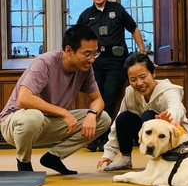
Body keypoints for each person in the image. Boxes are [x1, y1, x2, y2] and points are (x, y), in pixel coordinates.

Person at [0, 24, 111, 174]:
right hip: (16, 123)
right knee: (34, 116)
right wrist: (64, 113)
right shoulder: (45, 63)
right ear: (68, 50)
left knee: (102, 118)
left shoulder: (85, 68)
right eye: (87, 54)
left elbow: (98, 100)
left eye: (94, 54)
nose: (91, 59)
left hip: (49, 122)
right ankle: (23, 161)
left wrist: (91, 114)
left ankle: (53, 157)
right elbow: (24, 99)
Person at [77, 0, 146, 152]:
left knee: (108, 99)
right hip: (95, 62)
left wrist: (142, 51)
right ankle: (99, 138)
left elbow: (134, 28)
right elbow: (76, 36)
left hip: (116, 62)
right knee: (97, 98)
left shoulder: (117, 9)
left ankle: (99, 138)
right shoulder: (86, 15)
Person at [96, 52, 188, 171]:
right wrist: (109, 152)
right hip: (150, 139)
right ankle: (126, 159)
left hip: (175, 141)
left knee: (149, 116)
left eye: (143, 77)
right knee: (123, 118)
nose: (139, 83)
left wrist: (170, 117)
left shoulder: (168, 90)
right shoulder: (130, 92)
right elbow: (118, 123)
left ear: (153, 73)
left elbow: (177, 107)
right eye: (133, 79)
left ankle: (162, 161)